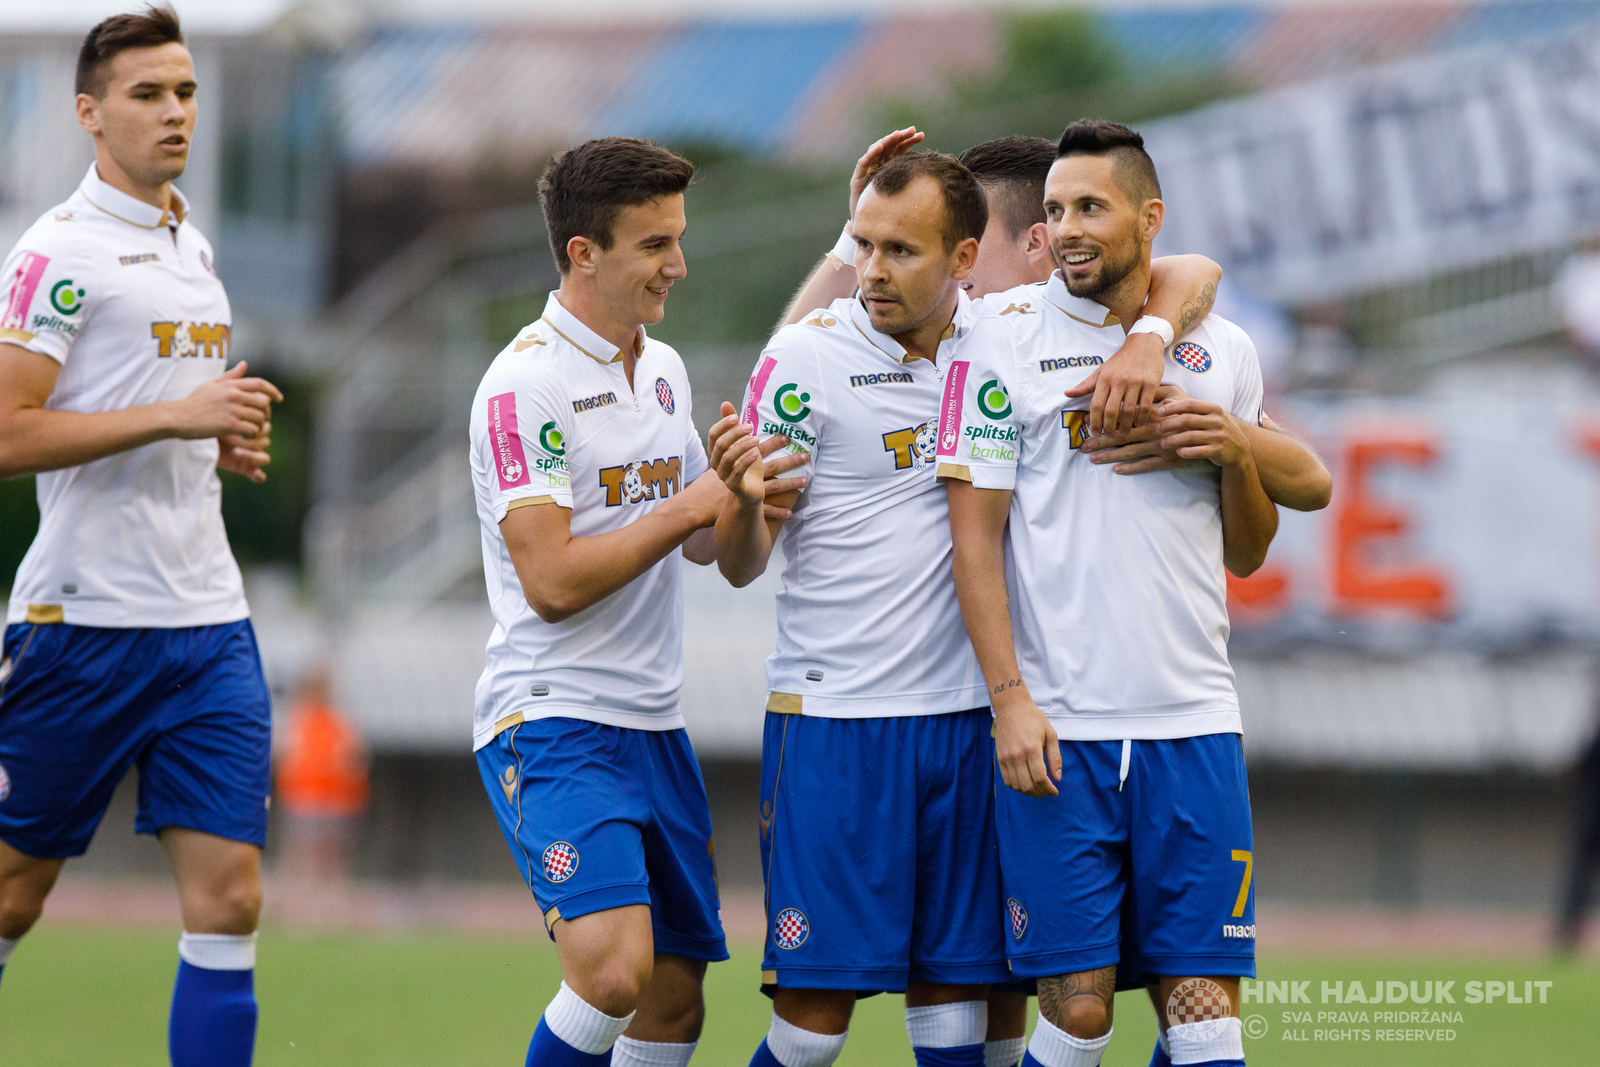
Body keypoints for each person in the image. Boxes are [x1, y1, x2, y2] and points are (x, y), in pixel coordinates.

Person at [942, 119, 1284, 1067]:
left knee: (1208, 1021)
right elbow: (973, 539)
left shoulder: (1222, 349)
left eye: (1089, 206)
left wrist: (1233, 452)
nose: (1065, 230)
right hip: (1064, 735)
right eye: (1052, 212)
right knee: (1079, 1016)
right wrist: (1010, 698)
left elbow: (1249, 550)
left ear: (1149, 218)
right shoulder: (998, 340)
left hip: (1196, 727)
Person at [467, 136, 803, 1067]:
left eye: (678, 238)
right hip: (552, 718)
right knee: (612, 972)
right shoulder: (523, 383)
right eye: (655, 244)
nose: (679, 265)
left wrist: (742, 497)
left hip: (653, 723)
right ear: (584, 253)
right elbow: (552, 582)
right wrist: (691, 501)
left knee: (671, 1004)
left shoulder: (663, 371)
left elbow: (721, 558)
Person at [0, 8, 281, 1065]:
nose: (175, 113)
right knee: (14, 894)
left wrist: (215, 442)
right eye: (148, 95)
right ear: (89, 112)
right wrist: (177, 416)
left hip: (207, 621)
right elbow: (9, 429)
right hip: (84, 623)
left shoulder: (189, 240)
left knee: (232, 897)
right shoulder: (56, 255)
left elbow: (164, 403)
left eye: (187, 92)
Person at [274, 668, 368, 881]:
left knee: (332, 852)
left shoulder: (338, 720)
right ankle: (298, 895)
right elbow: (284, 755)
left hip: (335, 798)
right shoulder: (298, 719)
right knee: (300, 850)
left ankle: (328, 896)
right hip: (303, 796)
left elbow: (355, 759)